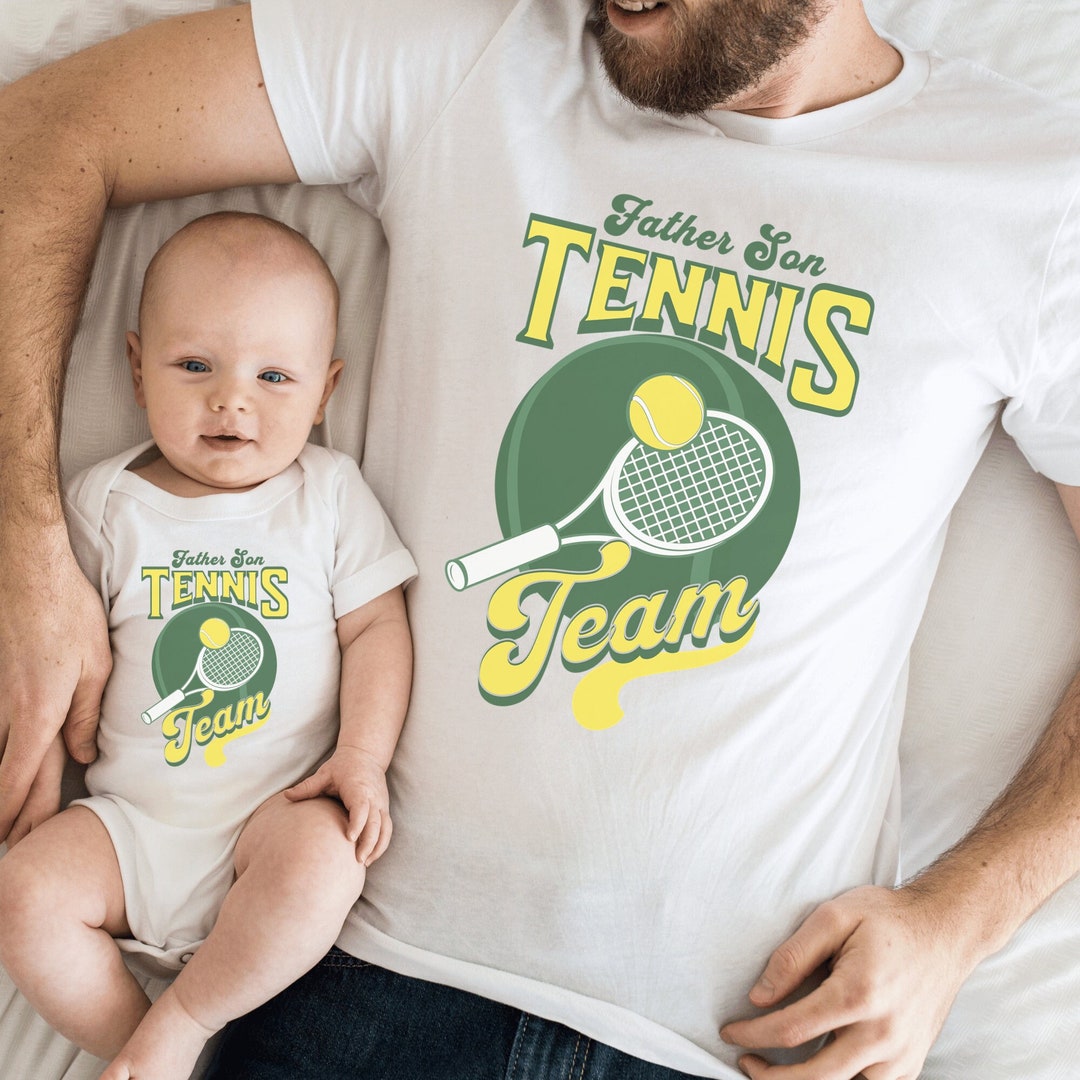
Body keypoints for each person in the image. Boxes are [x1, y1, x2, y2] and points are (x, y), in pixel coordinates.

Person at [1, 1, 1080, 1078]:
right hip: (350, 983)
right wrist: (29, 552)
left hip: (736, 1040)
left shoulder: (1032, 193)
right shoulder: (478, 49)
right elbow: (43, 129)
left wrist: (960, 919)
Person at [0, 210, 417, 1080]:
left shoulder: (328, 495)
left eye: (274, 376)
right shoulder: (105, 502)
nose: (232, 400)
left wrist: (363, 758)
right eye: (195, 366)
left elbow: (377, 625)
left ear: (326, 391)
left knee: (325, 860)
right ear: (135, 368)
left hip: (269, 821)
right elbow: (48, 634)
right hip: (129, 827)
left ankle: (184, 1023)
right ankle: (140, 1050)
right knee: (23, 894)